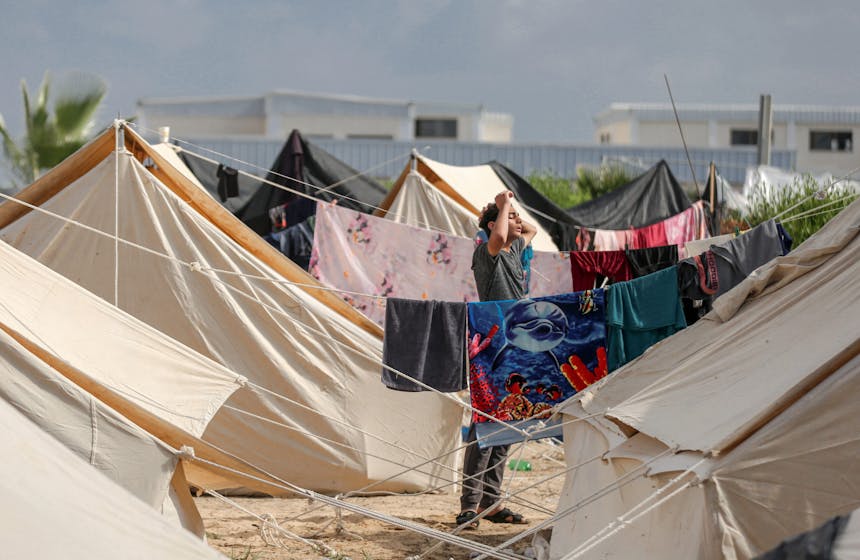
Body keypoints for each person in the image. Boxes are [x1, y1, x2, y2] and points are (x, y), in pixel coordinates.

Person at [457, 190, 537, 530]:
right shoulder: (486, 253)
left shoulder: (514, 251)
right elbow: (500, 236)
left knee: (509, 421)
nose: (517, 221)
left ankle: (490, 502)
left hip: (516, 343)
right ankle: (470, 505)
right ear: (493, 226)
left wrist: (510, 213)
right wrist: (504, 206)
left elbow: (530, 230)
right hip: (491, 346)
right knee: (485, 424)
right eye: (510, 217)